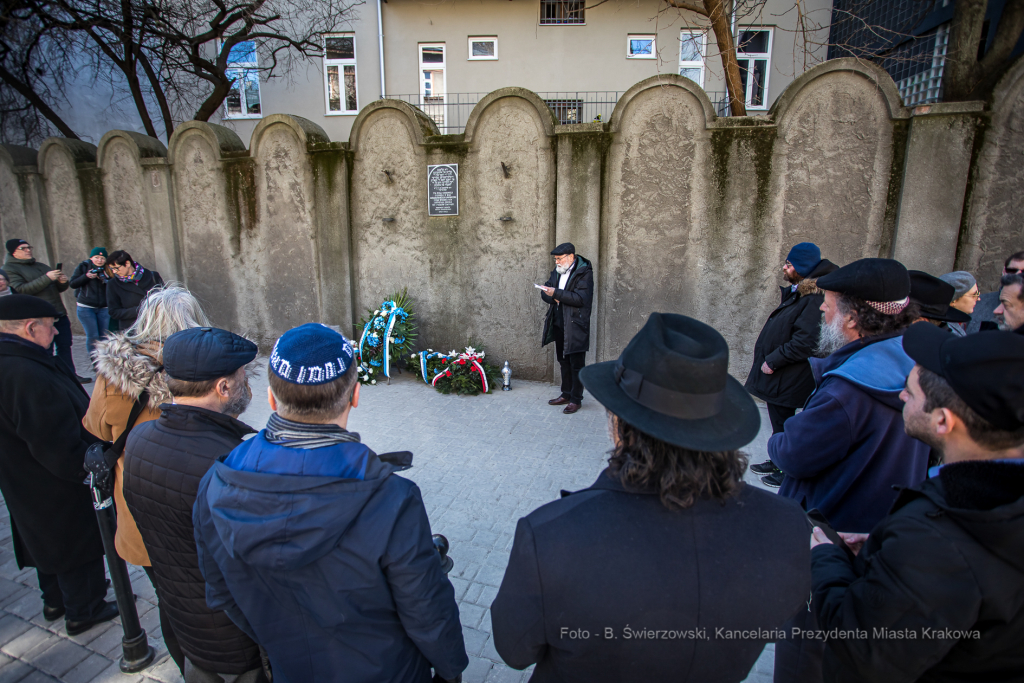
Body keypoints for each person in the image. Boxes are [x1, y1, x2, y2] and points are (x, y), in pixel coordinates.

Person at [492, 313, 811, 683]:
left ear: (617, 424)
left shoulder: (551, 537)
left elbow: (513, 650)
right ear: (719, 425)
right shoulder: (786, 526)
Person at [193, 323, 468, 683]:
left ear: (272, 398)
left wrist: (282, 643)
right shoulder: (392, 500)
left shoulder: (217, 482)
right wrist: (451, 671)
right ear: (355, 395)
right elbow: (427, 611)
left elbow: (222, 594)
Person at [809, 322, 1024, 681]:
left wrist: (827, 563)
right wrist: (888, 558)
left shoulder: (934, 538)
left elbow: (867, 649)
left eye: (910, 391)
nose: (901, 397)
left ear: (943, 421)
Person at [123, 327, 266, 682]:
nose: (246, 383)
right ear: (223, 387)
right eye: (241, 376)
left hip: (186, 628)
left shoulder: (139, 439)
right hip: (239, 639)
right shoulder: (235, 461)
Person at [83, 284, 211, 672]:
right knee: (209, 602)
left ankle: (188, 666)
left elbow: (98, 428)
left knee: (169, 600)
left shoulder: (113, 376)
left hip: (142, 511)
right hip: (196, 511)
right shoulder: (203, 372)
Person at [765, 259, 930, 525]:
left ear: (852, 318)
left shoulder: (846, 391)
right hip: (882, 523)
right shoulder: (920, 362)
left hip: (831, 530)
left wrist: (778, 439)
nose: (821, 308)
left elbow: (794, 454)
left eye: (827, 304)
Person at [0, 294, 119, 636]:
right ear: (30, 327)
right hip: (54, 481)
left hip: (24, 477)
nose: (55, 335)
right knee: (72, 542)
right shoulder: (24, 372)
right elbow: (55, 441)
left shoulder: (17, 361)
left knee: (44, 540)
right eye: (51, 327)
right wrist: (91, 473)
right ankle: (84, 608)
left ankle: (55, 600)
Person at [746, 242, 837, 479]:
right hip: (785, 374)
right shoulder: (801, 292)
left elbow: (806, 341)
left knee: (786, 422)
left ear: (803, 266)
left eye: (789, 264)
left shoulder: (813, 298)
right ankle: (778, 460)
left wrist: (773, 360)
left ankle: (786, 468)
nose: (784, 268)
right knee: (779, 419)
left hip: (791, 373)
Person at [3, 238, 89, 382]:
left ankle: (70, 375)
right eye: (23, 248)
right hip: (38, 317)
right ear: (13, 252)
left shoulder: (40, 266)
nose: (28, 250)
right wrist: (47, 278)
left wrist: (62, 282)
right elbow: (22, 290)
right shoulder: (9, 269)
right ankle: (50, 377)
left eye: (29, 247)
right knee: (45, 348)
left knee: (65, 345)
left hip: (58, 313)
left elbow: (56, 288)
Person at [539, 242, 594, 414]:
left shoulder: (584, 273)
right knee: (563, 361)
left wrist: (555, 294)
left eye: (559, 258)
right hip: (558, 322)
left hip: (575, 326)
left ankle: (576, 399)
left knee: (576, 364)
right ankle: (566, 394)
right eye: (555, 259)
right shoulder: (557, 271)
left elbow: (580, 299)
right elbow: (545, 291)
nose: (556, 262)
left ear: (571, 256)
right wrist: (551, 295)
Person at [70, 247, 111, 365]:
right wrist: (86, 277)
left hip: (104, 307)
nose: (99, 260)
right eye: (96, 257)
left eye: (102, 258)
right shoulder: (83, 267)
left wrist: (106, 279)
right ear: (91, 258)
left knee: (104, 336)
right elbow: (72, 283)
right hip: (86, 307)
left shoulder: (108, 269)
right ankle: (95, 363)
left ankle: (104, 362)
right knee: (93, 335)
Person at [966, 250, 1024, 333]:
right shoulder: (976, 302)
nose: (1016, 275)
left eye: (1023, 272)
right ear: (1004, 271)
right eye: (1012, 271)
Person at [106, 250, 164, 331]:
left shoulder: (153, 276)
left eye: (116, 268)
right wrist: (141, 310)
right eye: (111, 269)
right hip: (132, 330)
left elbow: (165, 300)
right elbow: (114, 312)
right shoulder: (113, 284)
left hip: (156, 328)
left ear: (127, 263)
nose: (114, 272)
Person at [939, 270, 979, 336]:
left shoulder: (958, 322)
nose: (978, 298)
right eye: (974, 295)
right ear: (953, 300)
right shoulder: (947, 331)